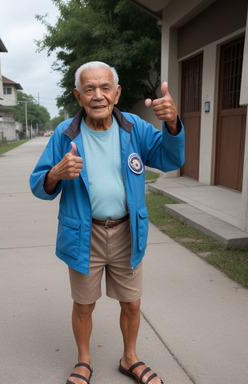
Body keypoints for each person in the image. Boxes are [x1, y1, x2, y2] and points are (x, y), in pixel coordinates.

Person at [29, 61, 185, 384]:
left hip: (128, 230)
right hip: (84, 233)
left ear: (117, 92)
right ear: (78, 95)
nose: (97, 96)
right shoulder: (65, 133)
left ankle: (130, 358)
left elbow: (171, 160)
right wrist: (57, 173)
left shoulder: (135, 128)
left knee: (132, 302)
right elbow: (37, 184)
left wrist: (171, 125)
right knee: (84, 305)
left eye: (104, 88)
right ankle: (83, 360)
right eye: (89, 89)